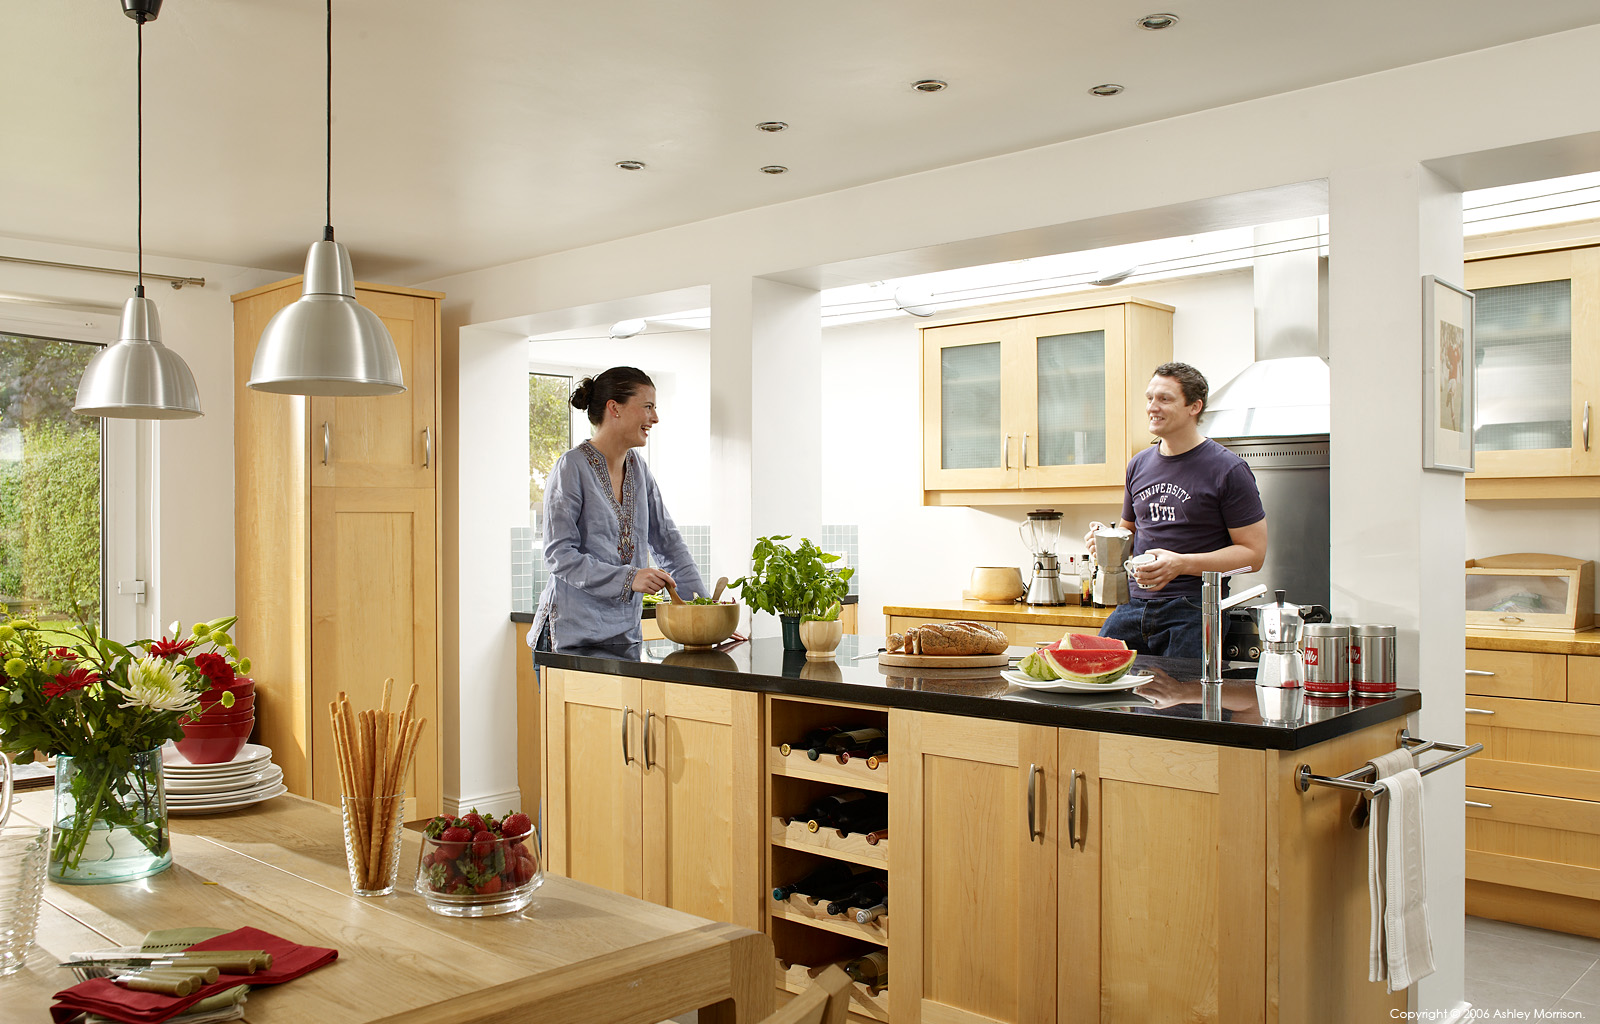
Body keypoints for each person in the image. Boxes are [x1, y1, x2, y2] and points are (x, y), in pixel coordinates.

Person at [1085, 361, 1267, 660]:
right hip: (1132, 606)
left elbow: (1253, 555)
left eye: (1164, 399)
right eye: (1149, 398)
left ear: (1194, 407)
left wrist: (1180, 564)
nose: (1152, 407)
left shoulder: (1228, 469)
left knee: (1181, 705)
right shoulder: (1139, 464)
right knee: (1100, 695)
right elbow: (1127, 533)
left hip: (1193, 609)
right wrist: (1105, 541)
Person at [529, 366, 707, 649]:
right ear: (615, 408)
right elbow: (559, 555)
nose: (655, 418)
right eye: (647, 406)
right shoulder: (571, 467)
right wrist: (630, 577)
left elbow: (669, 545)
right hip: (570, 639)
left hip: (625, 638)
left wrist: (705, 614)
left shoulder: (638, 469)